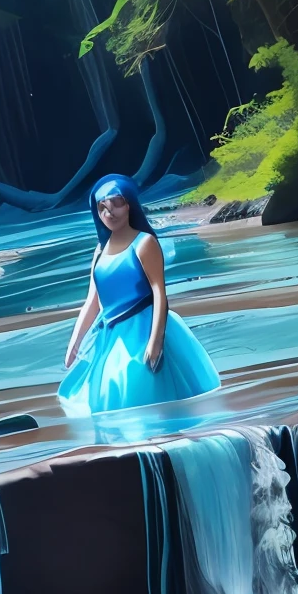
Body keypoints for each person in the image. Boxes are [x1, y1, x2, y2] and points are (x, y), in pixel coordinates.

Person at [59, 175, 220, 416]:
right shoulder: (100, 250)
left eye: (115, 203)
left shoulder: (144, 243)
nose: (109, 212)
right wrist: (75, 342)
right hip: (109, 335)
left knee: (142, 385)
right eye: (102, 207)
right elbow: (92, 301)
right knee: (108, 393)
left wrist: (155, 341)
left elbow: (159, 293)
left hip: (143, 328)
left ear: (129, 204)